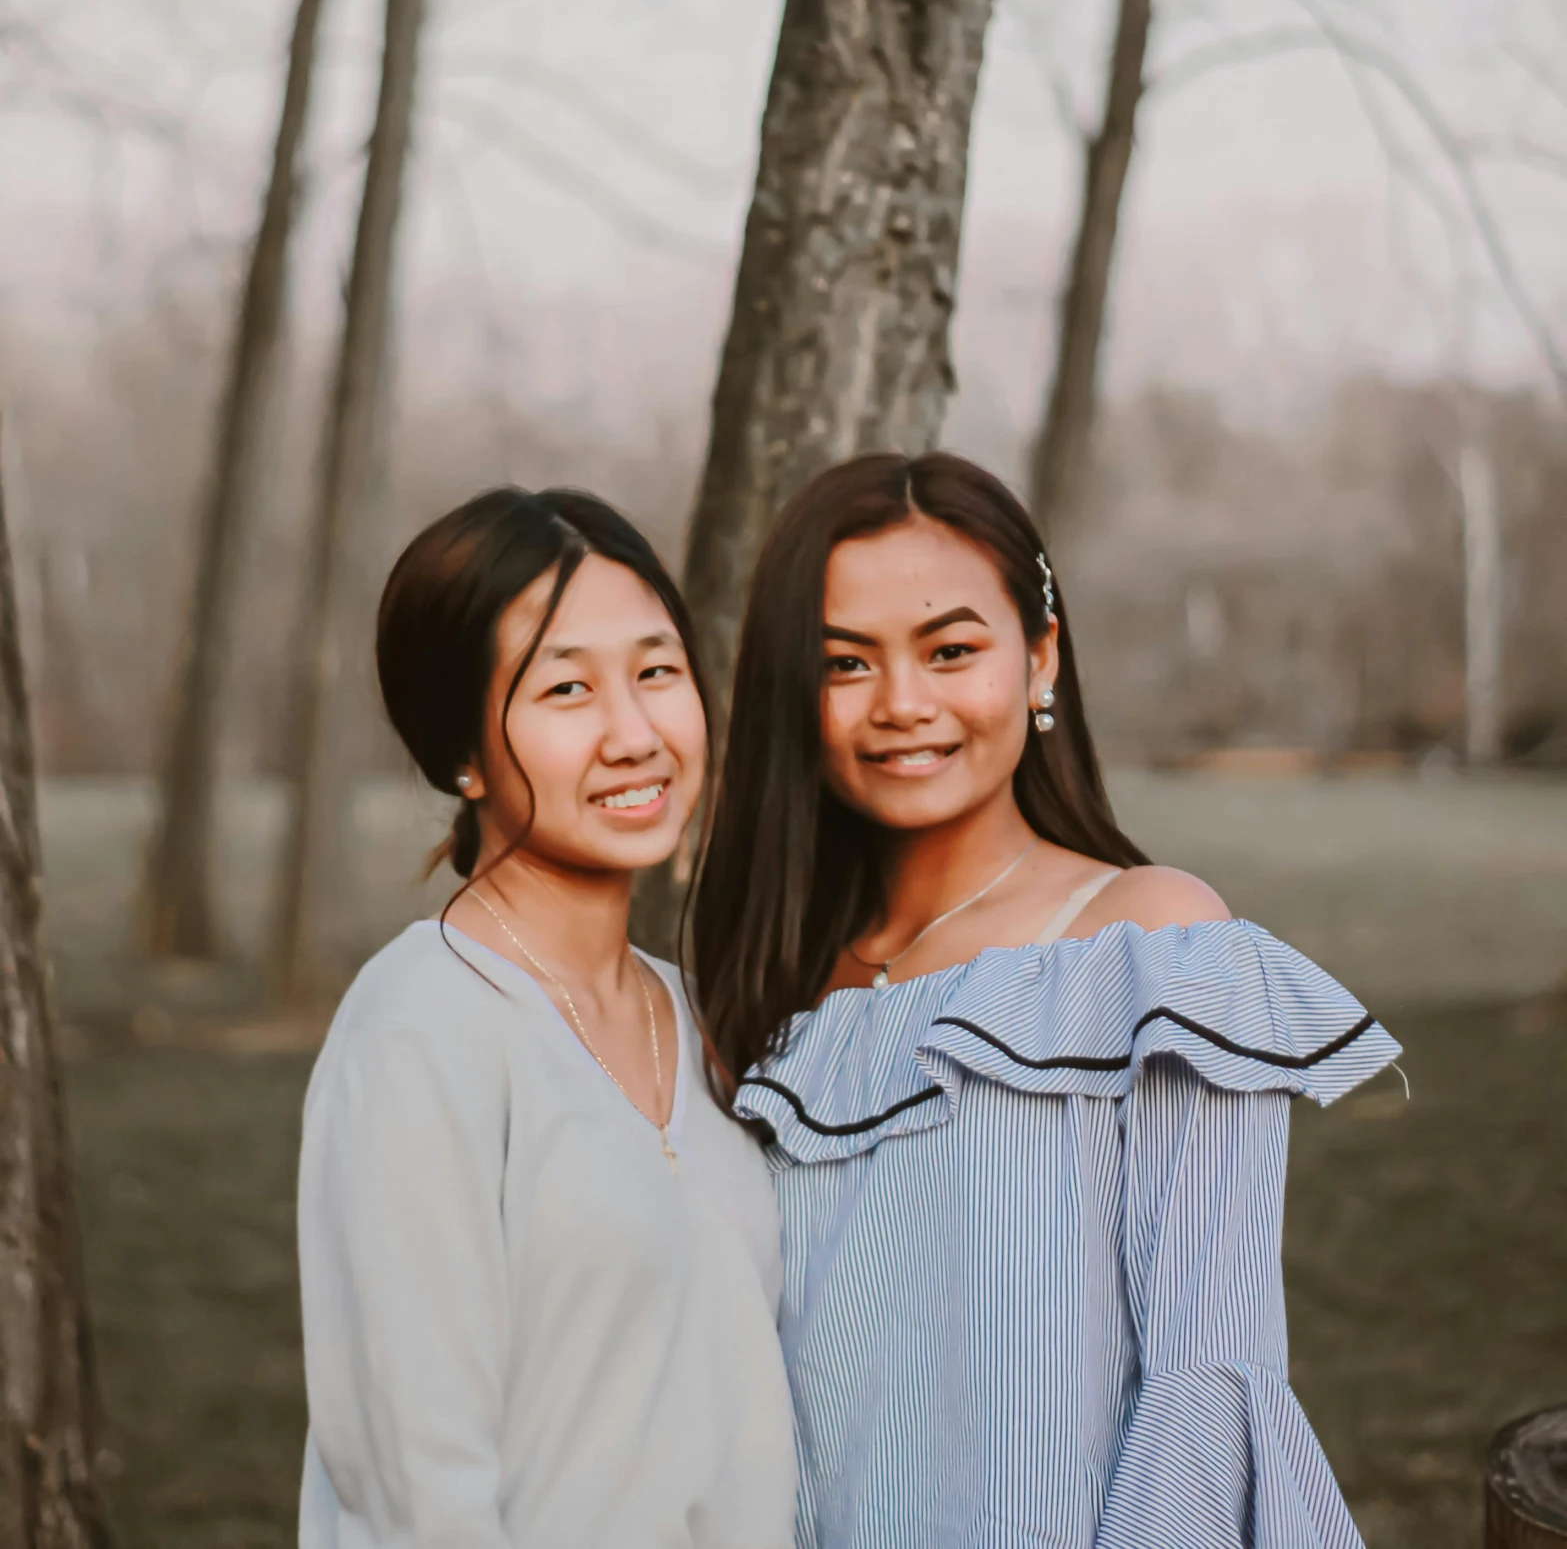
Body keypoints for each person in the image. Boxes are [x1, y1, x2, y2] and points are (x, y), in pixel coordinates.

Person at [691, 450, 1398, 1549]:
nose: (903, 704)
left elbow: (1203, 1382)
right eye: (845, 662)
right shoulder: (770, 999)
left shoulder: (1149, 945)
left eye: (951, 649)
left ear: (1039, 658)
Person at [297, 486, 796, 1549]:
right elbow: (419, 1487)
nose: (634, 733)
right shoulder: (422, 1027)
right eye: (566, 689)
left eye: (657, 672)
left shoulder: (701, 1018)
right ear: (461, 753)